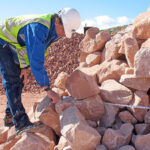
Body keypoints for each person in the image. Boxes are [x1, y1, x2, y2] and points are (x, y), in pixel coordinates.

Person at [0, 8, 81, 135]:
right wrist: (48, 90)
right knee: (12, 80)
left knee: (19, 80)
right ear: (58, 21)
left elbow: (31, 50)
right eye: (64, 31)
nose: (64, 35)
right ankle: (21, 124)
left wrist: (24, 67)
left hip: (14, 45)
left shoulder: (53, 30)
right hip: (2, 40)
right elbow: (36, 60)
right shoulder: (38, 27)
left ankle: (10, 116)